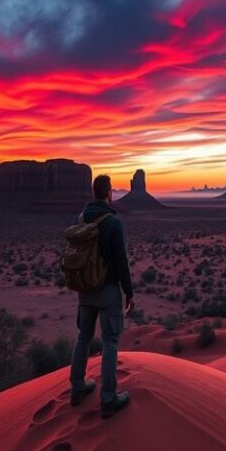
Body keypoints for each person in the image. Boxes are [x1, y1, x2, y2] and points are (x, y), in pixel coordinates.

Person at [69, 174, 134, 417]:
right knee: (110, 342)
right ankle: (108, 399)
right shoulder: (113, 222)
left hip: (84, 289)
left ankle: (77, 389)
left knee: (83, 337)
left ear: (92, 192)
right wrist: (129, 292)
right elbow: (121, 261)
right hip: (107, 291)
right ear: (109, 193)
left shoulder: (81, 217)